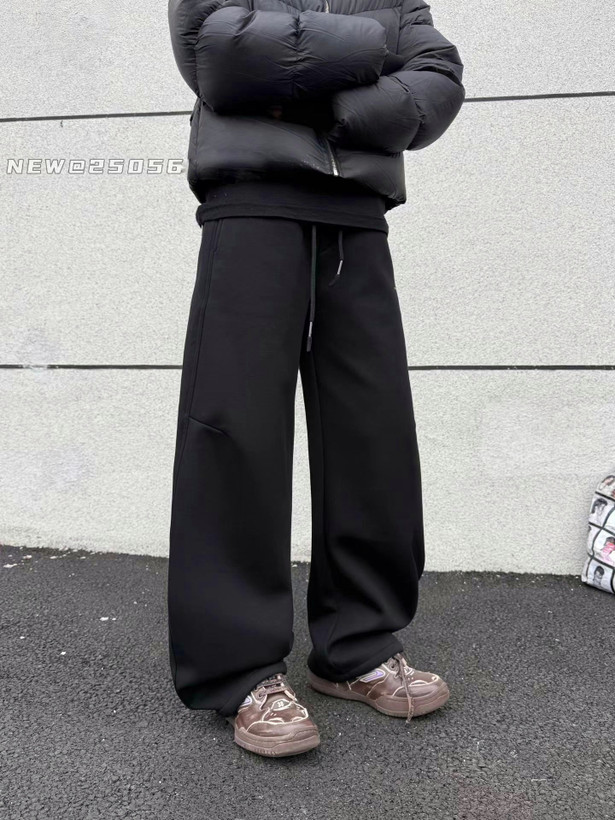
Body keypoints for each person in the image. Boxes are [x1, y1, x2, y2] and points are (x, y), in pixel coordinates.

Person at [166, 0, 466, 757]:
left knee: (373, 434)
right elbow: (218, 51)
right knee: (235, 432)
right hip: (251, 203)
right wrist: (372, 50)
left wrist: (318, 95)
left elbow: (437, 76)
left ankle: (357, 646)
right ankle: (238, 671)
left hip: (358, 215)